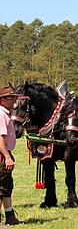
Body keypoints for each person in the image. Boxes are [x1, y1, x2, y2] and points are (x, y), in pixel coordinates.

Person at [0, 86, 24, 225]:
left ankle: (10, 217)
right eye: (11, 97)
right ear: (2, 100)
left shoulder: (5, 113)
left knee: (7, 186)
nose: (14, 100)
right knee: (1, 187)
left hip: (5, 154)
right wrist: (7, 157)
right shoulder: (1, 114)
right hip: (2, 155)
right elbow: (0, 138)